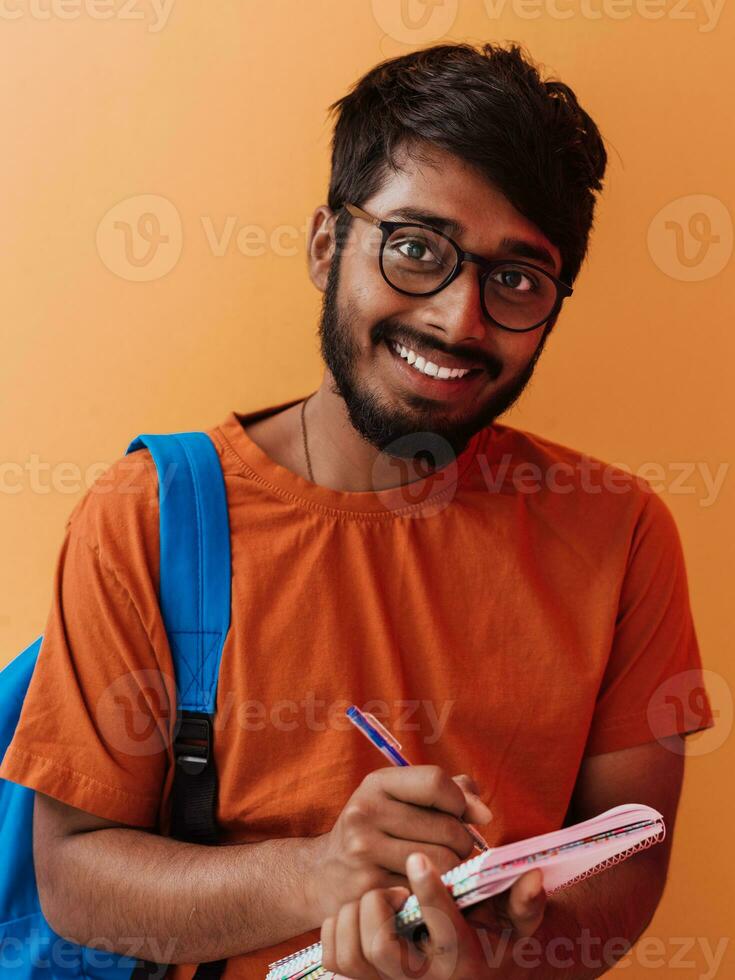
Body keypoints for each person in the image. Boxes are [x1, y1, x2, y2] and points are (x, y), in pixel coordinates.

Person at [1, 41, 714, 980]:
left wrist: (500, 956)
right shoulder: (150, 515)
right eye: (416, 248)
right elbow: (75, 875)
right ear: (327, 246)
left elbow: (633, 850)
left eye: (515, 279)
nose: (461, 320)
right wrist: (319, 875)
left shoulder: (620, 532)